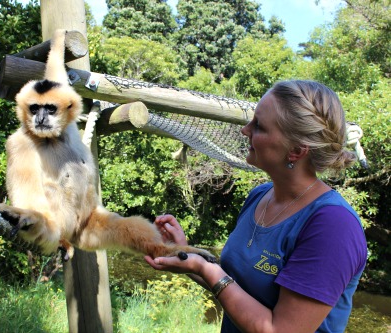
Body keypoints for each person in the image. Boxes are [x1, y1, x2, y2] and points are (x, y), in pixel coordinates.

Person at [145, 80, 367, 333]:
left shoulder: (333, 226)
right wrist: (185, 253)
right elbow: (233, 287)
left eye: (259, 126)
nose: (245, 130)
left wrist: (203, 267)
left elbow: (279, 330)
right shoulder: (259, 196)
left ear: (295, 151)